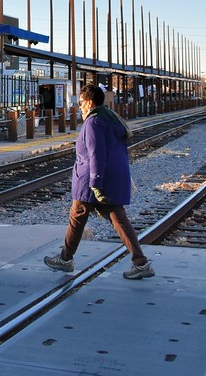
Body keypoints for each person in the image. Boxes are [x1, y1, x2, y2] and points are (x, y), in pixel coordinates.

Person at [44, 83, 155, 280]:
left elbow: (96, 154)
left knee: (78, 215)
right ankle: (141, 262)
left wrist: (95, 183)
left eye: (80, 103)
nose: (79, 107)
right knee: (117, 218)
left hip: (91, 180)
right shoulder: (111, 118)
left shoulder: (93, 123)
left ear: (90, 102)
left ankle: (65, 259)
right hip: (108, 177)